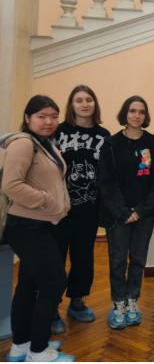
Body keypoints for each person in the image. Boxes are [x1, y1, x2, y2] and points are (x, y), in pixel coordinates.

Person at [1, 96, 75, 362]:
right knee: (54, 284)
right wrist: (48, 201)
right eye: (42, 116)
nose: (49, 121)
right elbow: (11, 185)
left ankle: (21, 346)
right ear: (28, 118)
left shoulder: (43, 143)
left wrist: (58, 203)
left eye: (54, 116)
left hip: (40, 224)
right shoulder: (23, 143)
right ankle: (38, 352)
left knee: (28, 285)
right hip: (28, 225)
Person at [98, 96, 154, 330]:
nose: (137, 116)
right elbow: (106, 182)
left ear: (146, 116)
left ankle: (131, 300)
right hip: (118, 216)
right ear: (125, 114)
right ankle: (118, 303)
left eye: (141, 112)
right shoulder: (111, 144)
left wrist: (140, 210)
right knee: (118, 260)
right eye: (132, 111)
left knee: (138, 260)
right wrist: (123, 212)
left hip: (144, 215)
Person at [50, 85, 110, 333]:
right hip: (58, 208)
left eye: (89, 99)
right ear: (71, 105)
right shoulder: (57, 131)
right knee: (55, 258)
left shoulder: (104, 135)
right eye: (79, 100)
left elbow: (107, 173)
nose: (85, 104)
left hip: (89, 207)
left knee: (83, 256)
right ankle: (51, 307)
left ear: (95, 104)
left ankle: (77, 301)